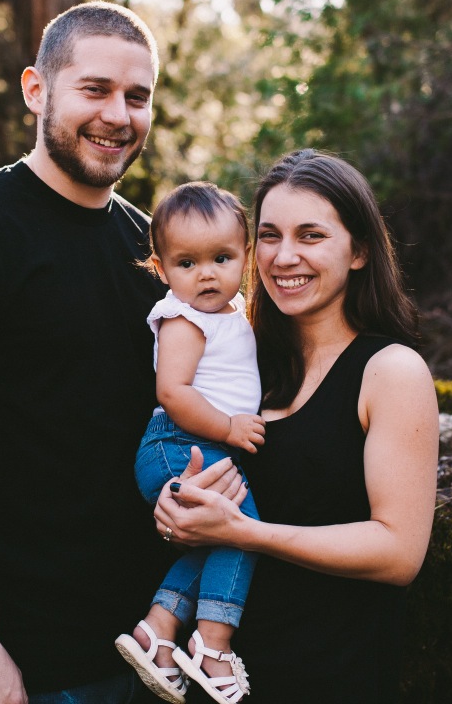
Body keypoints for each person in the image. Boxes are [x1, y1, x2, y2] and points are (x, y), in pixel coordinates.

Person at [0, 1, 243, 704]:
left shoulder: (156, 251)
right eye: (95, 89)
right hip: (21, 665)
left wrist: (206, 488)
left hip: (145, 654)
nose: (119, 115)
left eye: (137, 97)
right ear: (36, 90)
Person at [154, 149, 439, 704]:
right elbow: (192, 468)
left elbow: (398, 553)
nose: (284, 257)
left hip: (327, 676)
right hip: (214, 683)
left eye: (310, 236)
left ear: (358, 250)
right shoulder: (242, 359)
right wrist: (175, 510)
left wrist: (243, 532)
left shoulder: (390, 372)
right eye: (269, 236)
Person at [115, 183, 264, 704]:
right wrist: (228, 429)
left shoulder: (233, 310)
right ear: (161, 268)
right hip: (179, 443)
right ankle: (213, 644)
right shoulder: (183, 317)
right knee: (244, 528)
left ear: (245, 258)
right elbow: (172, 391)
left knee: (216, 535)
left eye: (221, 258)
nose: (206, 273)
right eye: (187, 262)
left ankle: (157, 631)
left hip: (201, 446)